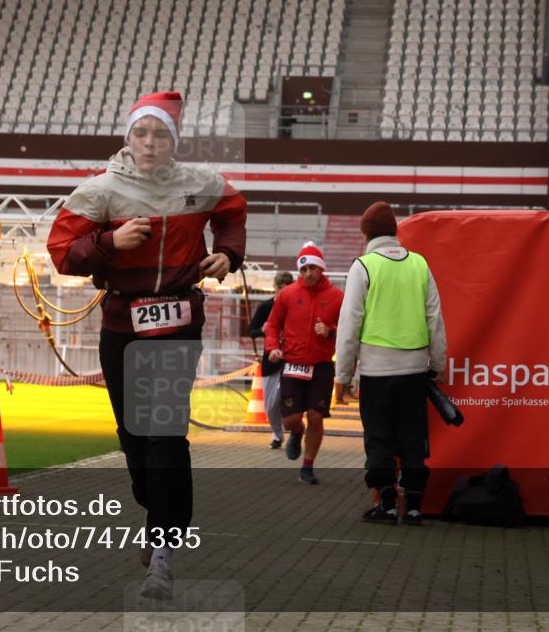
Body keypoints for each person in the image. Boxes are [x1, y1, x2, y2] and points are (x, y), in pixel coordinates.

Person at [47, 91, 247, 599]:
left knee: (163, 432)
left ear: (173, 140)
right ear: (128, 138)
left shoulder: (199, 184)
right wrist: (110, 243)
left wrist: (227, 253)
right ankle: (157, 509)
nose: (150, 143)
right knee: (134, 436)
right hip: (122, 324)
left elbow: (233, 211)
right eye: (142, 133)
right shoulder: (100, 191)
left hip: (179, 321)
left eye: (160, 134)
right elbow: (62, 255)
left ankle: (163, 545)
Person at [334, 201, 447, 525]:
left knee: (379, 438)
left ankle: (384, 502)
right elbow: (435, 319)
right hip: (414, 370)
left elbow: (350, 324)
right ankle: (413, 506)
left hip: (376, 371)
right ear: (395, 231)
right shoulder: (420, 265)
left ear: (365, 233)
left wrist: (343, 374)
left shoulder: (364, 266)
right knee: (413, 437)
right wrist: (438, 364)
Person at [265, 243, 343, 485]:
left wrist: (331, 331)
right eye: (304, 269)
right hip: (292, 363)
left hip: (321, 365)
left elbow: (352, 329)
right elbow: (272, 325)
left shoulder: (337, 296)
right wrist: (272, 348)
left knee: (316, 416)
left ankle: (307, 466)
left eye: (313, 268)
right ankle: (296, 433)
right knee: (291, 419)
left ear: (322, 269)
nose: (309, 273)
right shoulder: (287, 294)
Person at [249, 270, 295, 448]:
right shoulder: (265, 307)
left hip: (292, 359)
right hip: (270, 360)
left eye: (287, 290)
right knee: (270, 405)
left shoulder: (295, 306)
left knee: (289, 400)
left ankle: (293, 431)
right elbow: (251, 331)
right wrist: (263, 329)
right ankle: (277, 433)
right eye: (279, 290)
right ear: (274, 288)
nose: (282, 294)